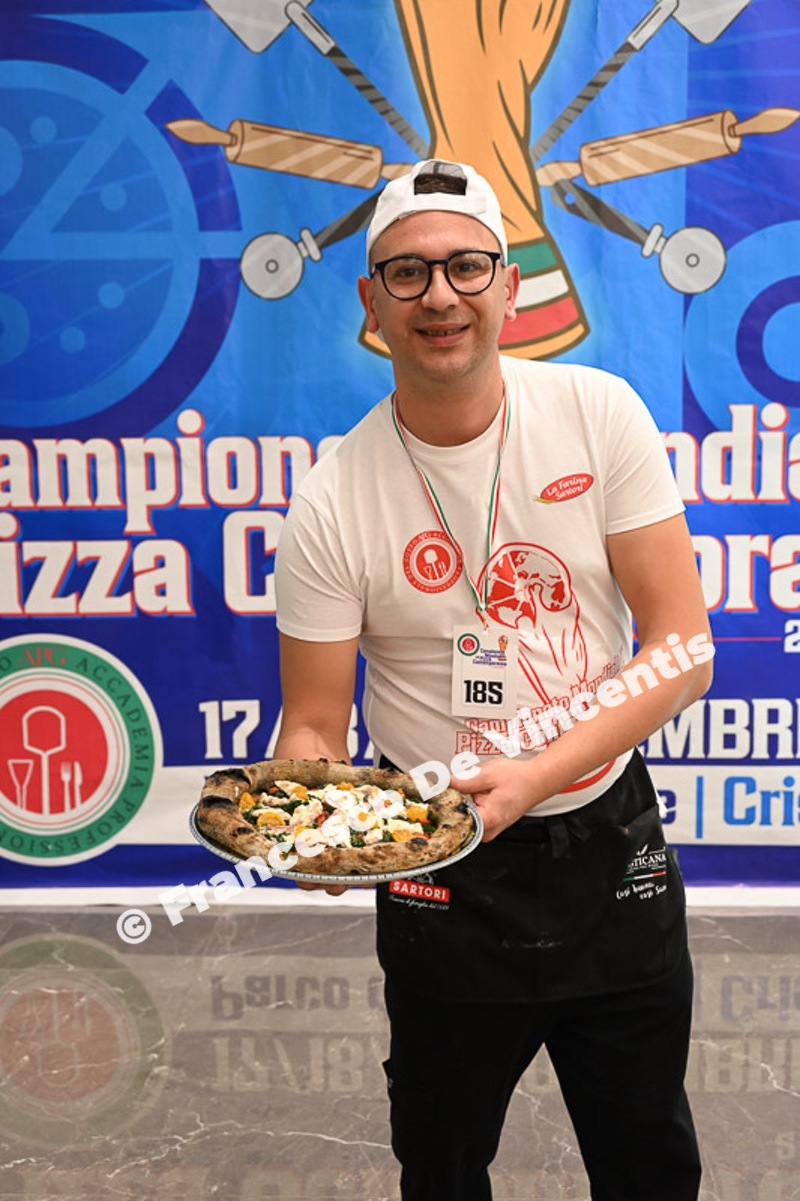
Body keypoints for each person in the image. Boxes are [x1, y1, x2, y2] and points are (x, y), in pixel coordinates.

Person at [273, 158, 710, 1201]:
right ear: (370, 301)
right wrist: (304, 811)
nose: (441, 296)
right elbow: (313, 721)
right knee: (440, 1163)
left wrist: (534, 774)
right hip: (439, 869)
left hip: (608, 845)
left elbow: (682, 647)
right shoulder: (331, 501)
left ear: (510, 286)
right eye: (408, 273)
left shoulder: (597, 414)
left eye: (467, 266)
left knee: (648, 1162)